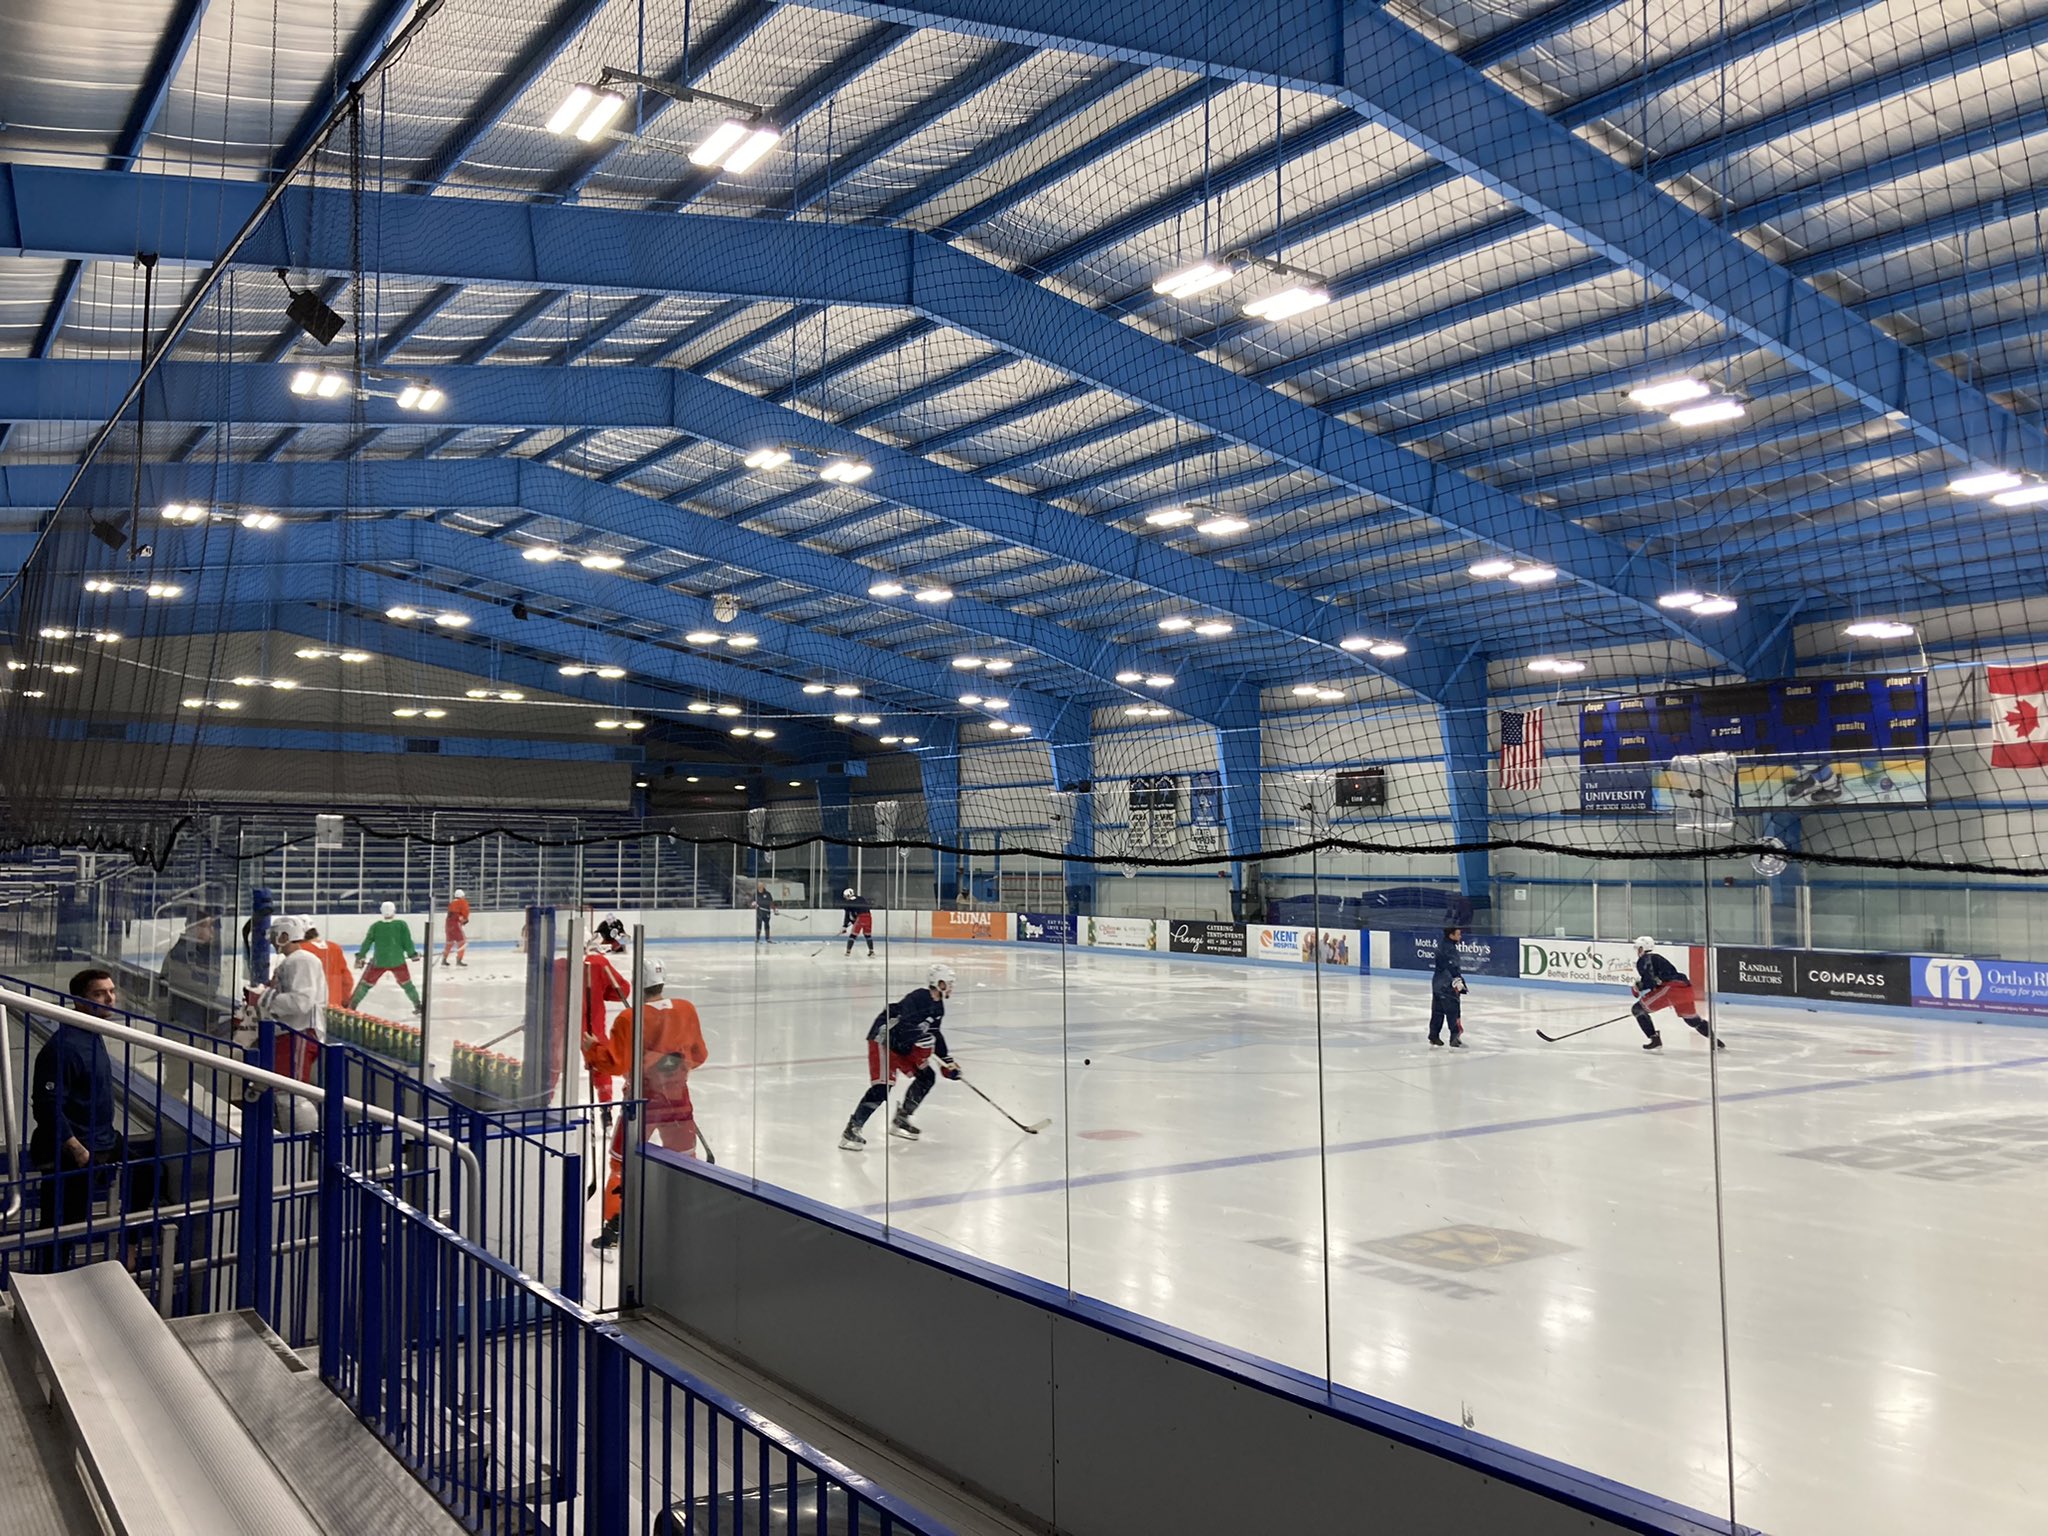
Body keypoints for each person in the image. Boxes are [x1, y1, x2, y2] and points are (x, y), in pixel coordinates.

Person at [582, 960, 708, 1250]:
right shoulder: (686, 1009)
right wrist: (672, 1068)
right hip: (678, 1100)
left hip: (642, 1102)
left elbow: (615, 1062)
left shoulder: (630, 1018)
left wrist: (594, 1049)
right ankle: (687, 1218)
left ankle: (614, 1230)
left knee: (620, 1163)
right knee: (686, 1161)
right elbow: (699, 1055)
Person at [30, 970, 150, 1267]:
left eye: (111, 991)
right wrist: (77, 1148)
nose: (110, 998)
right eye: (99, 994)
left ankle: (129, 1246)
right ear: (79, 1000)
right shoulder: (65, 1047)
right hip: (73, 1149)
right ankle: (51, 1278)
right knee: (63, 1224)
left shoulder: (93, 1032)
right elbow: (46, 1106)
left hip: (102, 1137)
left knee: (148, 1174)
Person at [839, 963, 959, 1151]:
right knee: (882, 1087)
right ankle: (852, 1129)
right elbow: (903, 1027)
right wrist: (921, 1048)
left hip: (903, 1044)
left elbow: (934, 1033)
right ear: (938, 983)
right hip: (885, 1039)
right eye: (948, 983)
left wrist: (947, 1061)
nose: (951, 987)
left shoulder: (938, 1006)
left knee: (927, 1077)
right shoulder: (919, 997)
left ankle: (901, 1118)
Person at [249, 916, 330, 1079]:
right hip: (292, 1032)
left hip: (301, 1032)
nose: (272, 941)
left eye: (274, 936)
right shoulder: (293, 961)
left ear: (285, 936)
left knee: (291, 1094)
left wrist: (263, 997)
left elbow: (301, 1002)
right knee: (284, 1090)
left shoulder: (302, 960)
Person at [1631, 936, 1723, 1051]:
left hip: (1671, 989)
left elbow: (1650, 982)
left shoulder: (1644, 959)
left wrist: (1637, 987)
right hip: (1685, 988)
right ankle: (1715, 1041)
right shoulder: (1657, 958)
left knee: (1638, 1009)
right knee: (1692, 1019)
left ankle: (1654, 1039)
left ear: (1641, 949)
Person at [351, 901, 423, 1014]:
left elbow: (367, 943)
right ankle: (418, 1005)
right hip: (398, 961)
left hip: (379, 961)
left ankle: (353, 1005)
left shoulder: (375, 926)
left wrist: (361, 956)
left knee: (366, 984)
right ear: (394, 910)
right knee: (407, 984)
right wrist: (412, 954)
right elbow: (407, 942)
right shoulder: (401, 925)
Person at [159, 912, 221, 1029]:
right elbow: (203, 989)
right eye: (206, 926)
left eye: (212, 926)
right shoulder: (180, 954)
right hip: (183, 1024)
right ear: (193, 929)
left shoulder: (204, 953)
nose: (212, 930)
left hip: (196, 1021)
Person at [300, 920, 356, 1015]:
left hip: (309, 1009)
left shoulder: (301, 950)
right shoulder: (335, 947)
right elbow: (347, 980)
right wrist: (345, 1001)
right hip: (335, 1007)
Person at [1428, 926, 1467, 1047]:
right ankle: (1454, 1038)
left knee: (1437, 1012)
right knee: (1453, 1012)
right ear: (1451, 935)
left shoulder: (1442, 945)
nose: (1460, 937)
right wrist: (1458, 981)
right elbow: (1452, 966)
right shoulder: (1450, 949)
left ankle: (1434, 1036)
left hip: (1437, 985)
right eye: (1458, 934)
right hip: (1447, 985)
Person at [441, 889, 471, 967]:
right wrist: (465, 920)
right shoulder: (462, 902)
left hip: (448, 925)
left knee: (449, 943)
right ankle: (459, 960)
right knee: (462, 942)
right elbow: (465, 913)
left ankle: (444, 959)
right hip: (456, 924)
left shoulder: (452, 903)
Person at [840, 887, 874, 957]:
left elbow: (848, 916)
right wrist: (854, 920)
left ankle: (848, 952)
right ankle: (871, 951)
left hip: (860, 918)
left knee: (853, 935)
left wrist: (845, 926)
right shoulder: (861, 898)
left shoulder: (848, 903)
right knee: (868, 935)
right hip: (869, 917)